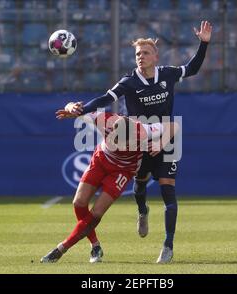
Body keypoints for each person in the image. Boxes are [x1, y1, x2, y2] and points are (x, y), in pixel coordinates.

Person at [61, 21, 212, 263]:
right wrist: (81, 110)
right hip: (138, 141)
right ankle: (142, 211)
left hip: (166, 137)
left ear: (156, 56)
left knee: (168, 190)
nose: (140, 57)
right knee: (139, 187)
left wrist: (203, 43)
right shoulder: (129, 81)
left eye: (145, 53)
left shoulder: (168, 74)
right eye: (137, 54)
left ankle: (168, 245)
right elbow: (103, 99)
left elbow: (192, 68)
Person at [41, 106, 178, 263]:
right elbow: (77, 109)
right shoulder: (104, 120)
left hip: (123, 171)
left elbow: (174, 126)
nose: (116, 143)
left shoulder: (144, 131)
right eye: (114, 138)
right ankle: (95, 246)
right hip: (100, 161)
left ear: (133, 137)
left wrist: (161, 142)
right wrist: (71, 107)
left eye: (121, 142)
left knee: (97, 213)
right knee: (78, 203)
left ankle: (61, 249)